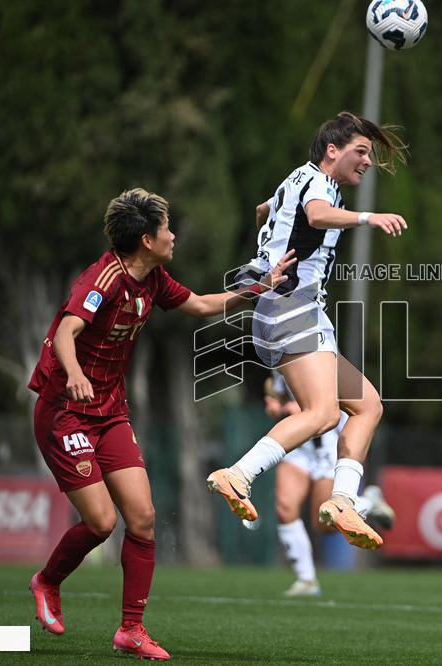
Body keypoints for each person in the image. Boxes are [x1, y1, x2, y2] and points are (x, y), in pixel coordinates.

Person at [26, 188, 294, 659]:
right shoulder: (104, 278)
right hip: (65, 411)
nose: (173, 236)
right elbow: (67, 330)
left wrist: (259, 288)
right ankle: (47, 581)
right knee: (101, 522)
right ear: (147, 240)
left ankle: (131, 629)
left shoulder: (152, 279)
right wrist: (75, 374)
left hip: (110, 411)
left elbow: (202, 305)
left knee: (143, 519)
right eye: (167, 229)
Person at [207, 111, 408, 551]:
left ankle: (342, 500)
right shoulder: (318, 184)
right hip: (292, 310)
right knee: (322, 414)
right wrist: (367, 217)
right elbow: (316, 216)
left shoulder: (296, 178)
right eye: (361, 152)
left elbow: (264, 209)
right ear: (332, 151)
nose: (368, 161)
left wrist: (270, 224)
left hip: (287, 310)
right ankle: (238, 474)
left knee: (367, 406)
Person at [263, 370, 395, 596]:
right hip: (299, 446)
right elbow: (279, 396)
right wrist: (276, 405)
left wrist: (302, 409)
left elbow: (328, 405)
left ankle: (368, 503)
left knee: (325, 523)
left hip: (327, 443)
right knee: (285, 508)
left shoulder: (320, 355)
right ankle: (306, 580)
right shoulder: (278, 362)